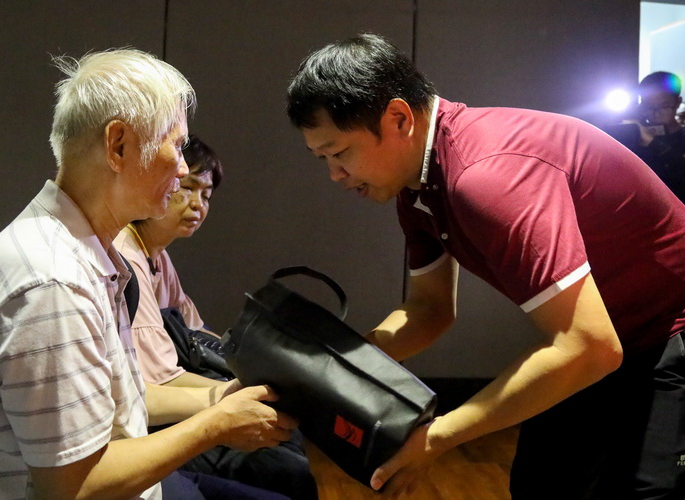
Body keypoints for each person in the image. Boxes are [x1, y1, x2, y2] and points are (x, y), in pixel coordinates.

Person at [286, 33, 685, 499]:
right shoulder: (417, 187)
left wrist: (436, 436)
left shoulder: (486, 176)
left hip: (669, 330)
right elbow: (429, 311)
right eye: (323, 159)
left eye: (339, 153)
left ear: (398, 118)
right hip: (606, 341)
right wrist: (329, 370)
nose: (335, 174)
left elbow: (589, 346)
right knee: (541, 484)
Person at [0, 48, 297, 500]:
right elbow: (75, 488)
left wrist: (217, 399)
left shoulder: (81, 249)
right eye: (177, 146)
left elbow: (119, 398)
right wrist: (216, 426)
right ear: (118, 146)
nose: (182, 168)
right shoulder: (54, 282)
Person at [114, 134, 319, 500]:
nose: (197, 204)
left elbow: (199, 332)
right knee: (289, 469)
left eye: (206, 195)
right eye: (187, 188)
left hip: (177, 407)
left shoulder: (156, 255)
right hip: (152, 427)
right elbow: (159, 379)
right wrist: (233, 393)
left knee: (292, 441)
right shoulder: (127, 256)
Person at [629, 71, 685, 202]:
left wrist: (653, 143)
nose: (656, 113)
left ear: (678, 102)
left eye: (664, 106)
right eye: (649, 106)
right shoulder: (635, 136)